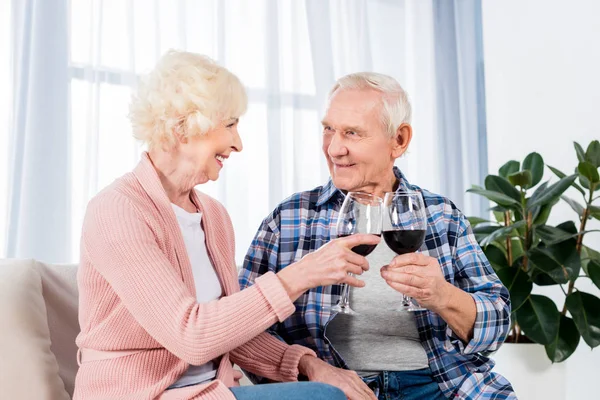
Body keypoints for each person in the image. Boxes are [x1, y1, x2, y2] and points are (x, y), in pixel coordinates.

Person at [73, 50, 381, 400]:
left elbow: (230, 331)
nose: (238, 143)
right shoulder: (118, 210)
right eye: (230, 124)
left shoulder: (213, 215)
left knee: (327, 390)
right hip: (140, 394)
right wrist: (302, 274)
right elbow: (193, 336)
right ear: (185, 127)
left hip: (210, 390)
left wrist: (311, 366)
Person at [239, 72, 516, 400]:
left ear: (399, 140)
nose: (334, 148)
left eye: (352, 133)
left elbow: (497, 322)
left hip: (441, 384)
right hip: (336, 389)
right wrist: (311, 367)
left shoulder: (442, 215)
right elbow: (243, 330)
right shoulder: (289, 219)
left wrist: (441, 295)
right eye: (328, 129)